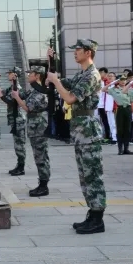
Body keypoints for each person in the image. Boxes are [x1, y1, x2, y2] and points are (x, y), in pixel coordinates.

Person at [46, 40, 106, 234]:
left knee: (93, 175)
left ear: (88, 52)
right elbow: (66, 84)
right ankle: (92, 213)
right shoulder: (82, 74)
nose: (75, 53)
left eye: (78, 50)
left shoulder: (92, 75)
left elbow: (70, 98)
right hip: (80, 131)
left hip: (88, 131)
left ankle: (98, 218)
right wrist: (51, 64)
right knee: (85, 175)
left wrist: (55, 81)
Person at [11, 66, 50, 197]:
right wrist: (15, 82)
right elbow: (21, 94)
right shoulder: (34, 90)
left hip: (39, 128)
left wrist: (17, 98)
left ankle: (44, 185)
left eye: (31, 74)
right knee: (38, 156)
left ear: (37, 75)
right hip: (34, 127)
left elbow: (28, 108)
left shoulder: (40, 92)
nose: (28, 76)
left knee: (41, 156)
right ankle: (42, 182)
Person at [0, 67, 27, 176]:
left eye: (10, 73)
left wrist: (1, 95)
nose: (8, 74)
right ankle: (19, 165)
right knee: (17, 144)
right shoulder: (11, 88)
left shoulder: (17, 88)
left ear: (15, 75)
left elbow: (12, 102)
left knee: (20, 144)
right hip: (14, 119)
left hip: (18, 119)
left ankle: (21, 167)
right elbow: (0, 92)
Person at [103, 75, 133, 156]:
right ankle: (120, 149)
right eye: (121, 80)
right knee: (120, 129)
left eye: (124, 80)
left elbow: (131, 102)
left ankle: (126, 148)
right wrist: (112, 83)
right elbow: (103, 89)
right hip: (120, 109)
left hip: (128, 109)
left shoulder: (129, 89)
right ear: (118, 81)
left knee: (127, 129)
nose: (123, 81)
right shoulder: (114, 89)